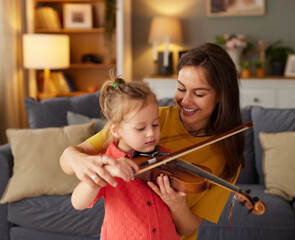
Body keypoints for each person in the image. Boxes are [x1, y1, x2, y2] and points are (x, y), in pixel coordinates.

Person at [60, 43, 245, 240]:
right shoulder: (147, 117)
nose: (186, 101)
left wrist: (176, 204)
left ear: (221, 96)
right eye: (181, 88)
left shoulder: (226, 155)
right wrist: (86, 163)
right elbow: (69, 161)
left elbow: (188, 228)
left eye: (199, 93)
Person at [70, 74, 181, 239]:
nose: (151, 133)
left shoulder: (164, 157)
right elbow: (78, 202)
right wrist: (107, 171)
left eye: (155, 124)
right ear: (116, 130)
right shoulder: (108, 162)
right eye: (140, 128)